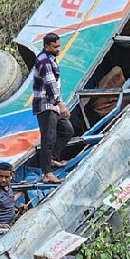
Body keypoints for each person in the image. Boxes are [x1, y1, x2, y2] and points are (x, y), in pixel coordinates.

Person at [32, 32, 74, 184]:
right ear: (47, 46)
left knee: (67, 130)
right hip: (46, 105)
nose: (58, 49)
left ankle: (51, 159)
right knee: (48, 138)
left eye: (59, 46)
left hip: (53, 105)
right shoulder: (44, 62)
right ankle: (47, 173)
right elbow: (50, 84)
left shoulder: (50, 59)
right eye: (55, 46)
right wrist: (60, 104)